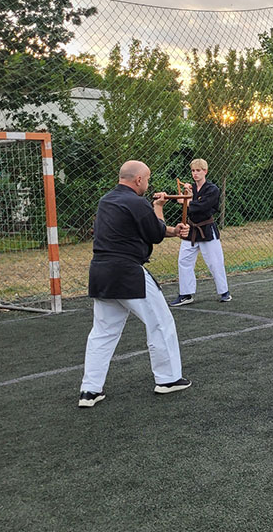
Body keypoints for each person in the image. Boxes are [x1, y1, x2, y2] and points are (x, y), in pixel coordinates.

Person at [78, 161, 191, 408]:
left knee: (102, 332)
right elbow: (155, 233)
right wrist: (158, 208)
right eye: (147, 179)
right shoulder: (136, 202)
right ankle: (168, 379)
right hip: (127, 272)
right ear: (138, 179)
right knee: (160, 322)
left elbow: (143, 229)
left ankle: (90, 390)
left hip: (100, 273)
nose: (148, 184)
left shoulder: (106, 201)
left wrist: (172, 230)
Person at [169, 158, 230, 307]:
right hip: (191, 230)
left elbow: (203, 206)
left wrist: (187, 200)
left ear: (205, 171)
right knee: (184, 261)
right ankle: (186, 294)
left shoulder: (212, 189)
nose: (195, 173)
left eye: (198, 170)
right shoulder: (191, 189)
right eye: (193, 171)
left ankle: (224, 292)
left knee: (215, 262)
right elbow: (189, 206)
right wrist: (187, 195)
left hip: (206, 229)